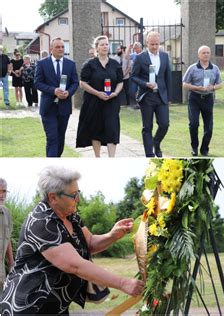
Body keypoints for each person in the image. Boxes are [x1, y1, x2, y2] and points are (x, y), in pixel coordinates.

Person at [0, 166, 144, 314]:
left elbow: (89, 243)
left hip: (56, 305)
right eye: (73, 195)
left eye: (78, 193)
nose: (78, 199)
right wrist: (123, 283)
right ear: (53, 197)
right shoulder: (41, 222)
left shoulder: (70, 215)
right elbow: (75, 265)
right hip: (29, 307)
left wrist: (112, 235)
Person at [76, 36, 124, 158]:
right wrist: (97, 93)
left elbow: (120, 81)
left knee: (112, 128)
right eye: (102, 45)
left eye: (107, 44)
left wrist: (116, 93)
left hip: (111, 101)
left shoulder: (115, 64)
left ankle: (111, 157)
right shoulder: (89, 64)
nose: (105, 47)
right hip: (94, 101)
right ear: (96, 47)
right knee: (96, 129)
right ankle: (97, 156)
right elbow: (83, 83)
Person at [35, 37, 79, 157]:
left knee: (60, 139)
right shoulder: (42, 63)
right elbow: (37, 83)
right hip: (48, 107)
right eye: (57, 47)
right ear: (51, 49)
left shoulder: (71, 64)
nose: (61, 49)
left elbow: (75, 83)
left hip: (64, 107)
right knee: (52, 138)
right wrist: (53, 90)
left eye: (62, 47)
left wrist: (68, 93)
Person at [131, 31, 172, 157]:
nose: (154, 47)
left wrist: (169, 97)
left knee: (164, 124)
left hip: (161, 96)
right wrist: (145, 83)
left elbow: (168, 77)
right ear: (146, 43)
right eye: (152, 44)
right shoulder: (140, 57)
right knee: (147, 127)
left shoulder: (165, 56)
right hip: (147, 96)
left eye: (157, 44)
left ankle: (156, 143)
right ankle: (149, 154)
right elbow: (133, 76)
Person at [183, 45, 222, 156]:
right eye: (204, 52)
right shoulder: (192, 68)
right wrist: (196, 88)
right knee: (194, 124)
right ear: (199, 55)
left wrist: (213, 87)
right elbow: (185, 84)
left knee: (209, 126)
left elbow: (220, 84)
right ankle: (194, 148)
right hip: (194, 98)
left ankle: (204, 149)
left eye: (208, 53)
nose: (206, 54)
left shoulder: (214, 68)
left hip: (208, 98)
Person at [0, 178, 14, 292]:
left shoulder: (6, 213)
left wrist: (12, 263)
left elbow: (8, 238)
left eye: (4, 191)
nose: (1, 195)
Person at [129, 42, 143, 109]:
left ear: (140, 48)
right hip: (134, 75)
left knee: (141, 89)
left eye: (136, 48)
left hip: (142, 75)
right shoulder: (133, 55)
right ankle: (135, 103)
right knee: (133, 90)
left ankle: (140, 103)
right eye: (134, 48)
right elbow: (126, 57)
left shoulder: (144, 55)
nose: (135, 50)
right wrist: (129, 48)